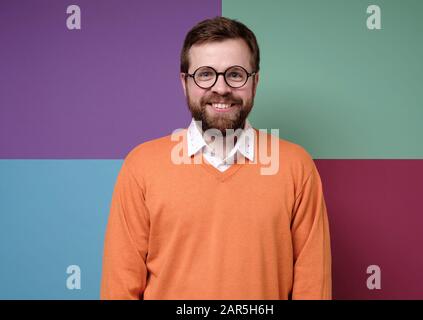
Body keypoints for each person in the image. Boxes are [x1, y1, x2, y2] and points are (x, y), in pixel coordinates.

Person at [100, 16, 332, 300]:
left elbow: (313, 289)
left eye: (235, 74)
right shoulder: (141, 166)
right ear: (184, 83)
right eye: (205, 74)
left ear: (255, 82)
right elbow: (119, 289)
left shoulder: (296, 167)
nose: (221, 88)